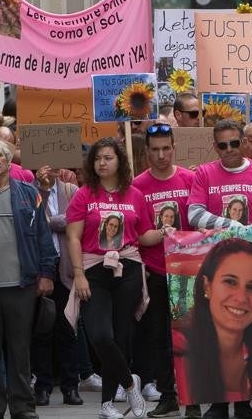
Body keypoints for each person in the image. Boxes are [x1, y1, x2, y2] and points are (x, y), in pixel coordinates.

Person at [66, 137, 172, 419]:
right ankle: (129, 382)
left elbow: (144, 235)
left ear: (120, 162)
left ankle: (107, 405)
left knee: (122, 336)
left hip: (129, 269)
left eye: (108, 158)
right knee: (100, 335)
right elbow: (73, 237)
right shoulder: (83, 194)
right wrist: (78, 274)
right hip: (93, 270)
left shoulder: (135, 194)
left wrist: (165, 231)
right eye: (98, 158)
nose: (102, 162)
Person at [0, 138, 57, 419]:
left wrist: (46, 273)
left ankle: (22, 406)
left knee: (20, 350)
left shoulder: (30, 194)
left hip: (22, 284)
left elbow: (43, 236)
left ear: (8, 160)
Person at [173, 239, 252, 412]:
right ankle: (218, 406)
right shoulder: (180, 346)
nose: (241, 298)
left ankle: (243, 404)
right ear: (207, 286)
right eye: (230, 282)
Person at [131, 124, 197, 418]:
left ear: (174, 148)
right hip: (156, 271)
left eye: (165, 148)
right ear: (146, 152)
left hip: (189, 268)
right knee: (158, 337)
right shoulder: (138, 186)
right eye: (154, 150)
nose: (161, 155)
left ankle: (194, 397)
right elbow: (138, 232)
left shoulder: (191, 179)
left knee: (191, 336)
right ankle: (167, 395)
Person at [31, 164, 85, 408]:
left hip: (66, 270)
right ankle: (42, 387)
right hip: (39, 269)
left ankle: (70, 387)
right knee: (41, 330)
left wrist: (49, 220)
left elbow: (76, 220)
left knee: (67, 329)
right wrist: (41, 193)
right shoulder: (27, 190)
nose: (48, 168)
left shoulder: (71, 190)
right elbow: (31, 226)